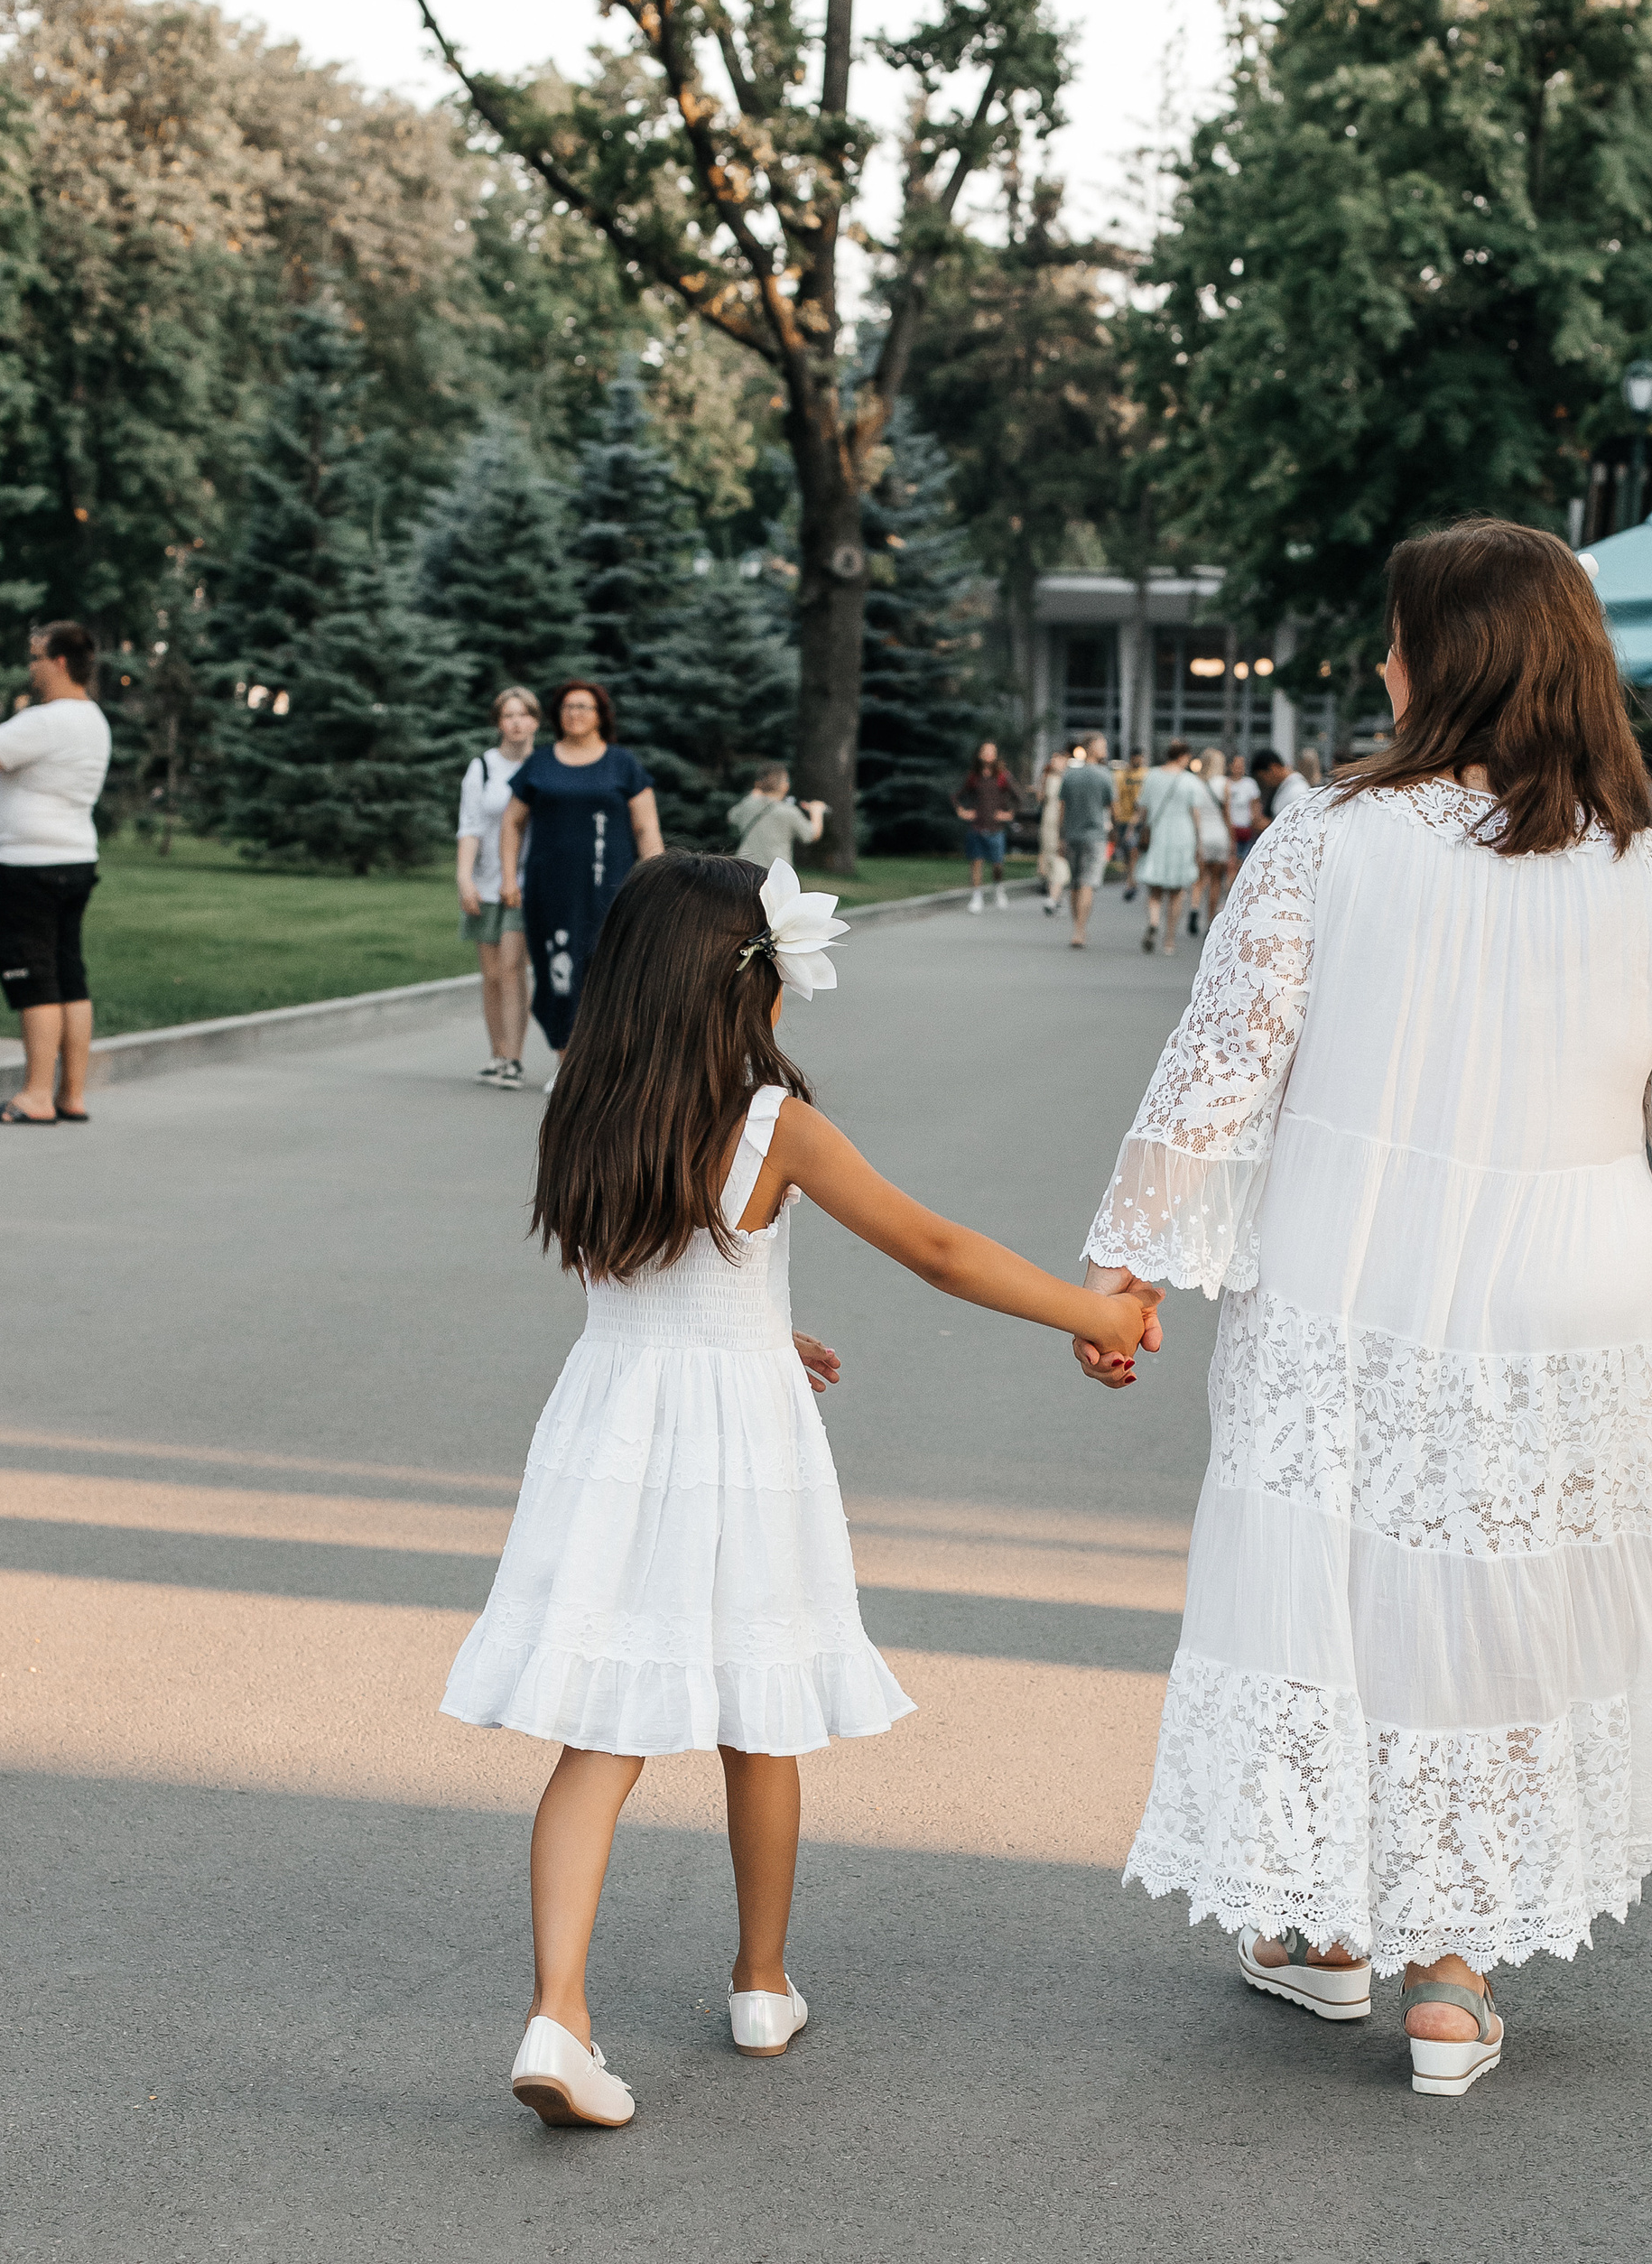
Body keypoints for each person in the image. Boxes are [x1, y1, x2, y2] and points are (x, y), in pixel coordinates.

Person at [1079, 517, 1652, 2095]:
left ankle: (1332, 1931)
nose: (1382, 663)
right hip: (1565, 1285)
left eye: (1398, 637)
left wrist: (1125, 1270)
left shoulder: (1326, 841)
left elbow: (1221, 1071)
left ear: (1449, 660)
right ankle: (1447, 1976)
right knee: (1496, 1579)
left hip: (1353, 1260)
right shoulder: (1649, 877)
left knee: (1334, 1559)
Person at [438, 852, 1159, 2125]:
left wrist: (765, 1329)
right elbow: (936, 1249)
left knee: (602, 1731)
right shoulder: (772, 1124)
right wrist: (1094, 1309)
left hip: (614, 1425)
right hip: (737, 1441)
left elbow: (662, 1276)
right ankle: (761, 1983)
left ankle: (560, 2012)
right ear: (749, 984)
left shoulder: (588, 1102)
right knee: (758, 1713)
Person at [0, 624, 113, 1127]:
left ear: (58, 662)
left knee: (34, 978)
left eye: (35, 657)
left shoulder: (49, 719)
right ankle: (71, 1093)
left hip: (29, 868)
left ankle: (36, 1095)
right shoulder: (87, 719)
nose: (29, 666)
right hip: (73, 861)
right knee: (69, 978)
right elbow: (1, 745)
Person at [501, 681, 663, 1062]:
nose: (575, 714)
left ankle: (605, 1064)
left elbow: (646, 828)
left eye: (584, 707)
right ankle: (565, 1061)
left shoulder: (622, 763)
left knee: (609, 970)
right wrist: (510, 876)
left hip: (610, 889)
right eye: (568, 707)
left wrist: (657, 882)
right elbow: (511, 823)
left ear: (600, 715)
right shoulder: (539, 763)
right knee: (558, 972)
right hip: (550, 890)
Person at [457, 686, 542, 1088]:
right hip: (486, 882)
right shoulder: (484, 767)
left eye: (524, 715)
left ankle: (514, 1059)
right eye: (508, 715)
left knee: (512, 969)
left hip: (525, 883)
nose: (516, 723)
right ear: (498, 723)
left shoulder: (545, 766)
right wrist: (464, 878)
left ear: (536, 722)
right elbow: (470, 825)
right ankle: (496, 1053)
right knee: (491, 973)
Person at [1137, 740, 1201, 956]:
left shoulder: (1152, 775)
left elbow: (1143, 808)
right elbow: (1196, 814)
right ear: (1183, 756)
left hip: (1158, 834)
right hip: (1182, 836)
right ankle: (1169, 940)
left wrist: (1137, 829)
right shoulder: (1189, 781)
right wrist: (1199, 840)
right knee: (1177, 891)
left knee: (1155, 888)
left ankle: (1154, 921)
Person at [1060, 734, 1118, 949]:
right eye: (1102, 745)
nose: (1105, 749)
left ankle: (1076, 927)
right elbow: (1113, 807)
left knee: (1075, 883)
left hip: (1072, 834)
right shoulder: (1104, 775)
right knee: (1087, 883)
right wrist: (1115, 832)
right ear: (1091, 748)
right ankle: (1080, 930)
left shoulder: (1070, 775)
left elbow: (1062, 808)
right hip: (1095, 836)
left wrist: (1060, 835)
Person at [954, 740, 1018, 913]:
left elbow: (1017, 796)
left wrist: (1009, 814)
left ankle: (998, 888)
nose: (989, 754)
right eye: (985, 751)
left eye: (992, 751)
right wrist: (962, 811)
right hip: (977, 826)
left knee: (997, 864)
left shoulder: (1002, 776)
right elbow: (957, 795)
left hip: (996, 828)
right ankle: (976, 896)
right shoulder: (973, 776)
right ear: (979, 754)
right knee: (976, 863)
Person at [729, 764, 827, 871]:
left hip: (745, 867)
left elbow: (731, 817)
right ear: (783, 786)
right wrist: (816, 811)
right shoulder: (788, 811)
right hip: (775, 870)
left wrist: (752, 795)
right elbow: (810, 835)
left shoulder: (749, 803)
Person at [1187, 746, 1233, 935]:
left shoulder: (1195, 783)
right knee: (1216, 880)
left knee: (1199, 879)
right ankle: (1210, 919)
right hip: (1219, 834)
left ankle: (1194, 908)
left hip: (1201, 835)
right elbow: (1227, 814)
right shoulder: (1224, 784)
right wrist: (1232, 838)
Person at [1035, 749, 1073, 915]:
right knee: (1050, 857)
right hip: (1048, 822)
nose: (1055, 763)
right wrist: (1042, 781)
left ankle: (1053, 898)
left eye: (1059, 760)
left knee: (1060, 858)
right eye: (1054, 759)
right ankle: (1056, 897)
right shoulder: (1048, 778)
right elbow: (1040, 799)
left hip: (1062, 822)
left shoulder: (1070, 780)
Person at [1113, 747, 1147, 900]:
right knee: (1128, 853)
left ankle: (1131, 882)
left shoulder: (1146, 775)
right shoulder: (1121, 775)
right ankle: (1131, 878)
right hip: (1123, 818)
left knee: (1133, 850)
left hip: (1139, 820)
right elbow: (1116, 796)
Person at [1226, 752, 1263, 868]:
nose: (1239, 768)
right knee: (1231, 864)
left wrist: (1255, 822)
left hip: (1246, 829)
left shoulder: (1250, 784)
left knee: (1244, 863)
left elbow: (1255, 804)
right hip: (1231, 829)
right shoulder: (1226, 784)